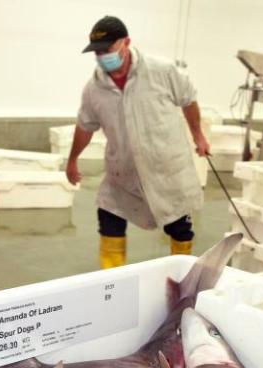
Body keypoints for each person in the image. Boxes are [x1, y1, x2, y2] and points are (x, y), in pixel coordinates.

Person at [67, 16, 209, 268]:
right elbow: (85, 126)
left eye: (107, 49)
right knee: (109, 218)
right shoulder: (94, 89)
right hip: (122, 174)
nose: (102, 57)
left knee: (179, 228)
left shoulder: (162, 71)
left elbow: (188, 99)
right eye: (97, 52)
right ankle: (110, 285)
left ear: (126, 42)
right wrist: (72, 160)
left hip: (166, 171)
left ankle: (179, 277)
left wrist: (198, 134)